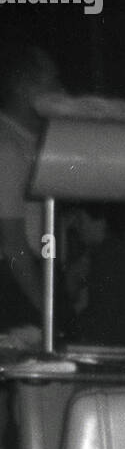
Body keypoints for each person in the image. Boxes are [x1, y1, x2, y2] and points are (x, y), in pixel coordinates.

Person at [0, 44, 60, 327]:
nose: (61, 91)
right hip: (15, 280)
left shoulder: (33, 140)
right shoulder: (6, 146)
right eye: (52, 83)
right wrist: (46, 308)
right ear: (25, 88)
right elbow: (12, 243)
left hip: (34, 273)